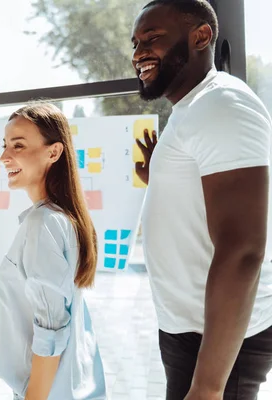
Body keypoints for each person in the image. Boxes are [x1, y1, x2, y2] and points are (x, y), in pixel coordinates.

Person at [132, 1, 272, 398]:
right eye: (135, 43)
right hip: (191, 331)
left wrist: (208, 387)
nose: (138, 53)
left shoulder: (221, 104)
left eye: (153, 38)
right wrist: (156, 178)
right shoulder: (193, 108)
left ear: (201, 36)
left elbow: (244, 249)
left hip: (217, 342)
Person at [0, 103, 107, 400]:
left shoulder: (43, 223)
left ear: (53, 152)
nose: (4, 156)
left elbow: (50, 333)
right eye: (5, 145)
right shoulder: (64, 218)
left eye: (18, 145)